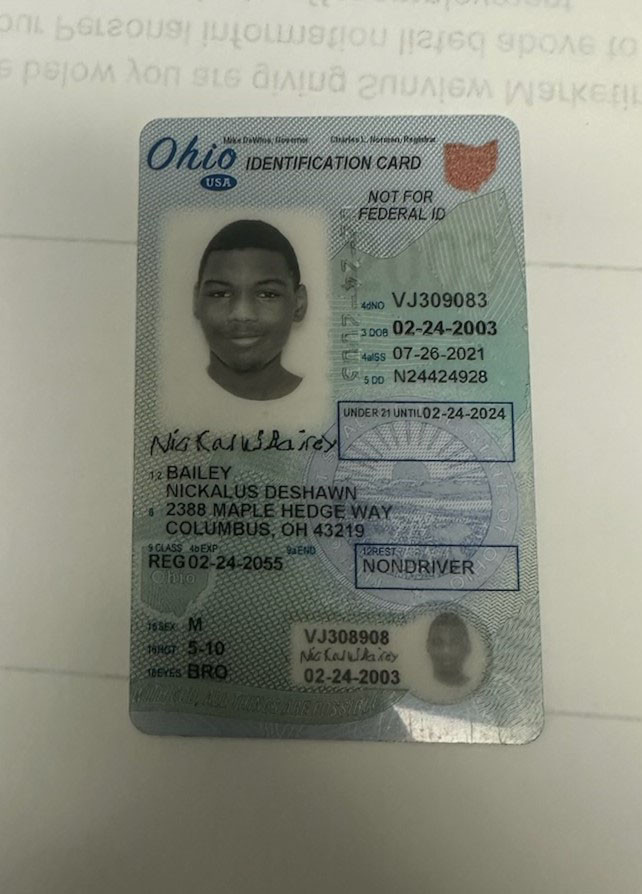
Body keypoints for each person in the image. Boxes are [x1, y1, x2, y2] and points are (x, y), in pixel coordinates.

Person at [193, 219, 308, 401]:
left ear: (299, 304)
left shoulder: (319, 397)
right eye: (220, 294)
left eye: (267, 294)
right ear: (196, 301)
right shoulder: (171, 396)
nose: (242, 314)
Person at [426, 612, 471, 687]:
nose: (446, 651)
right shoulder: (418, 685)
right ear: (428, 646)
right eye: (438, 643)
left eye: (454, 643)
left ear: (467, 646)